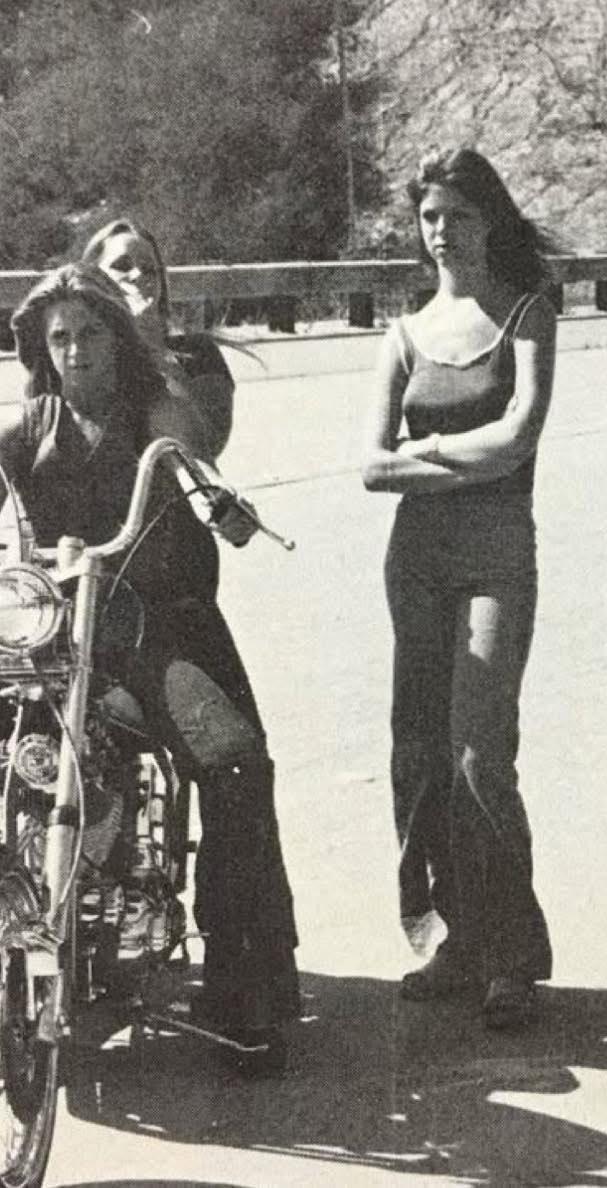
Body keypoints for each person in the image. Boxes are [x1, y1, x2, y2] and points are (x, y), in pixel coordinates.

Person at [5, 263, 299, 1067]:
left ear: (117, 338)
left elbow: (189, 461)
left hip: (149, 630)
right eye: (59, 337)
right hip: (54, 636)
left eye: (90, 333)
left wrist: (215, 500)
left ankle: (241, 991)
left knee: (235, 766)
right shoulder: (32, 425)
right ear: (41, 348)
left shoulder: (151, 410)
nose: (75, 350)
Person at [361, 147, 558, 1029]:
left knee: (481, 753)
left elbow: (518, 439)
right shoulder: (405, 333)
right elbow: (372, 467)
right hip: (415, 561)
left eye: (460, 216)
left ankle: (511, 955)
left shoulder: (526, 314)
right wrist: (460, 459)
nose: (443, 232)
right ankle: (453, 938)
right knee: (420, 754)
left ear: (492, 220)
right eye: (430, 216)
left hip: (497, 557)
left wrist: (429, 452)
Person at [81, 218, 235, 461]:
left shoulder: (199, 352)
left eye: (149, 269)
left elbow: (206, 444)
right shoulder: (77, 353)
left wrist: (152, 345)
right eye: (122, 266)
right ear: (92, 279)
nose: (138, 275)